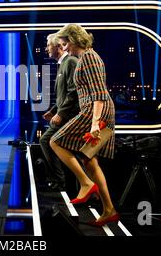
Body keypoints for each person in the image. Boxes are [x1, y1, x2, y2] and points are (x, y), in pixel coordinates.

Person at [49, 24, 118, 226]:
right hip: (94, 111)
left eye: (65, 43)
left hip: (96, 111)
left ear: (74, 39)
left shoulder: (88, 57)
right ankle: (109, 209)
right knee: (89, 160)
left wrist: (95, 123)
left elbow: (98, 93)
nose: (64, 47)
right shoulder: (86, 57)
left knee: (56, 141)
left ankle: (86, 183)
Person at [40, 33, 79, 191]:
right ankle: (59, 180)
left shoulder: (70, 62)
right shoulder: (62, 64)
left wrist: (60, 114)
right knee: (48, 142)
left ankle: (59, 180)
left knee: (46, 141)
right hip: (65, 114)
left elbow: (73, 92)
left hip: (70, 116)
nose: (46, 48)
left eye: (49, 45)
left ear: (58, 46)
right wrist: (53, 110)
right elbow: (63, 96)